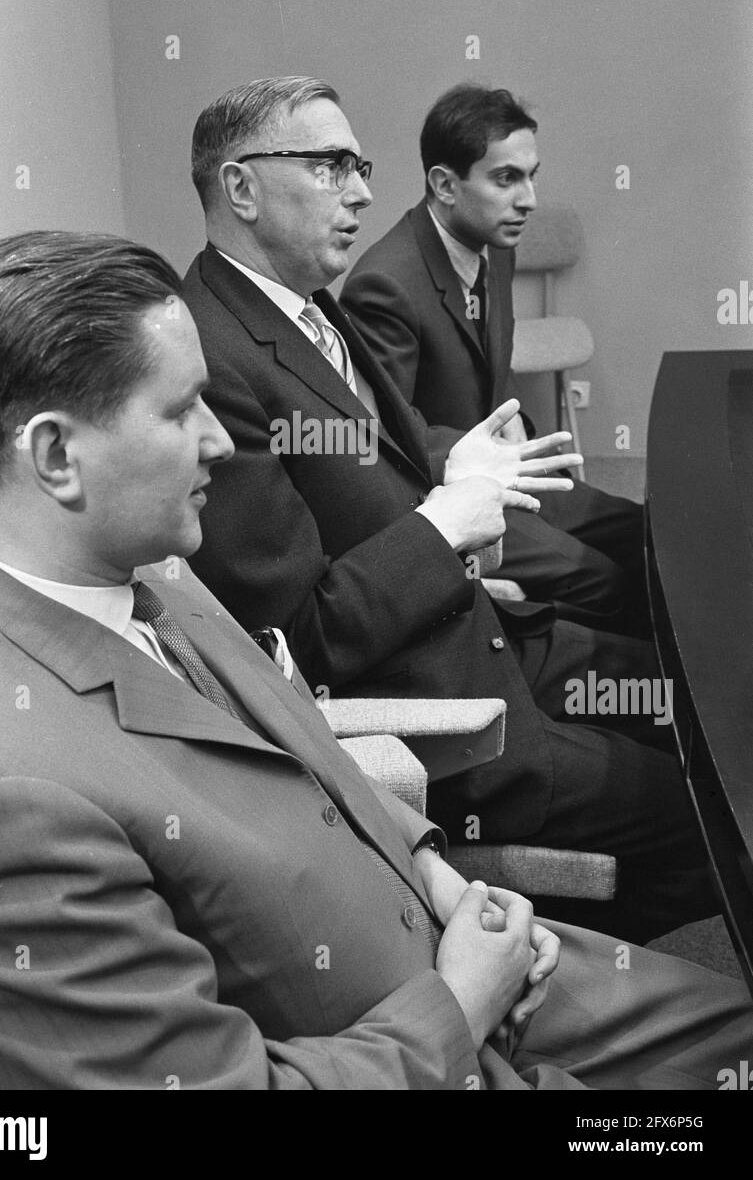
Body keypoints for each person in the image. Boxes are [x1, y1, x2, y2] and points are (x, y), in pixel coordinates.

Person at [0, 230, 749, 1090]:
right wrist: (460, 1004)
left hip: (469, 952)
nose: (219, 441)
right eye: (179, 410)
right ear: (54, 457)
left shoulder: (131, 562)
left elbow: (298, 737)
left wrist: (428, 868)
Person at [181, 76, 712, 943]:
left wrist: (453, 465)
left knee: (685, 698)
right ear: (239, 187)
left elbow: (383, 455)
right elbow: (300, 644)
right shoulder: (212, 357)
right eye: (326, 166)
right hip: (449, 719)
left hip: (490, 637)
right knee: (713, 808)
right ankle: (555, 984)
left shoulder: (304, 304)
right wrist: (444, 524)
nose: (358, 190)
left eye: (359, 165)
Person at [341, 83, 648, 637]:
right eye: (506, 178)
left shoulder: (494, 245)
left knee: (644, 531)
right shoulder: (383, 284)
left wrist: (513, 437)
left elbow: (483, 377)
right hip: (450, 492)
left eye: (532, 175)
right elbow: (383, 436)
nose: (528, 198)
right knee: (599, 580)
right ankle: (581, 673)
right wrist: (479, 456)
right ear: (444, 185)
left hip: (506, 467)